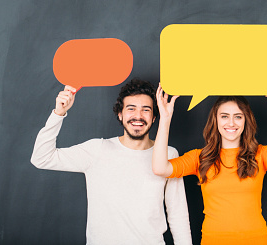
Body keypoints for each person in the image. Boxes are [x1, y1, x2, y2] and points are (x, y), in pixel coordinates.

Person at [31, 78, 192, 245]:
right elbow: (41, 158)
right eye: (131, 109)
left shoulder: (169, 154)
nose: (138, 116)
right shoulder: (97, 150)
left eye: (146, 110)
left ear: (153, 118)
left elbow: (177, 213)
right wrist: (59, 113)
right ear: (120, 114)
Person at [152, 78, 267, 245]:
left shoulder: (260, 154)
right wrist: (165, 119)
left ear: (246, 121)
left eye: (238, 117)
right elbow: (160, 168)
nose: (231, 123)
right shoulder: (200, 158)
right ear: (215, 120)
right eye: (224, 116)